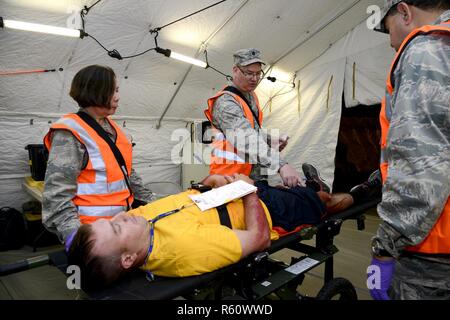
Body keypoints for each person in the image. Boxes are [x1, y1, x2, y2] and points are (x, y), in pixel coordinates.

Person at [68, 166, 378, 290]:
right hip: (269, 214)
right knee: (322, 203)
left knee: (304, 190)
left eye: (111, 220)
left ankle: (312, 185)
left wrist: (208, 183)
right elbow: (257, 240)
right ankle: (363, 190)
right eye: (116, 230)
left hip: (232, 194)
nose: (121, 218)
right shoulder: (182, 252)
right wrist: (250, 193)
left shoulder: (139, 221)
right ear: (126, 260)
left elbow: (187, 200)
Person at [368, 0, 450, 300]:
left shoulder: (427, 48)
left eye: (389, 29)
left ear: (404, 12)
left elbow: (421, 162)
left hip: (434, 252)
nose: (392, 42)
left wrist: (385, 245)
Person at [42, 65, 156, 245]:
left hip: (120, 228)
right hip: (93, 234)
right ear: (97, 90)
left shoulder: (115, 130)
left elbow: (127, 174)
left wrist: (156, 204)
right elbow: (56, 196)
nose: (118, 97)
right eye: (114, 90)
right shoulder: (70, 132)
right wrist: (78, 240)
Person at [204, 49, 327, 190]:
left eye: (258, 74)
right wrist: (281, 165)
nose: (254, 79)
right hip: (230, 181)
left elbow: (252, 130)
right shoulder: (226, 103)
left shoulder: (250, 96)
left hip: (252, 179)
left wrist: (270, 140)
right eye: (249, 73)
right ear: (235, 70)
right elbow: (246, 138)